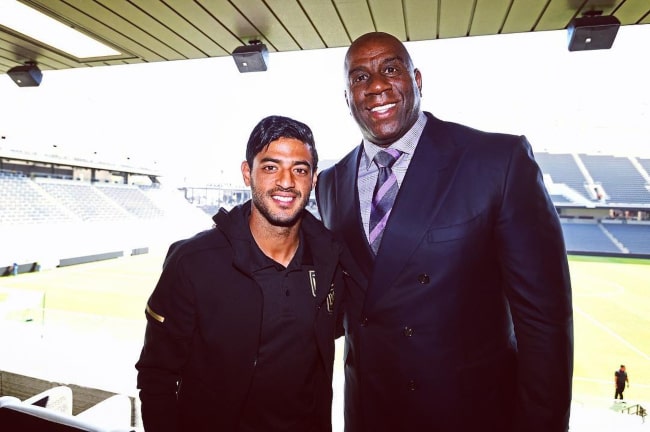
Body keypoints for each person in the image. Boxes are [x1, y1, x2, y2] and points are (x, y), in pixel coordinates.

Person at [316, 31, 574, 431]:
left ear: (416, 80)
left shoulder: (496, 162)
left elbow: (545, 322)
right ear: (347, 97)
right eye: (360, 77)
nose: (377, 85)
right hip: (369, 413)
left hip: (468, 414)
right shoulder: (330, 183)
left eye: (390, 68)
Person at [136, 115, 346, 432]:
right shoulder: (192, 262)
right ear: (248, 173)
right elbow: (157, 378)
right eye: (271, 167)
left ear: (313, 179)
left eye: (300, 169)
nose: (287, 182)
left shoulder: (331, 260)